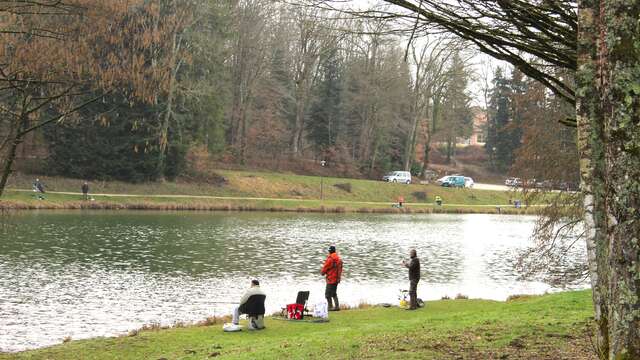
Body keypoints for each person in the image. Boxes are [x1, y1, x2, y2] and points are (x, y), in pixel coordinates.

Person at [321, 245, 343, 311]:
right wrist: (338, 278)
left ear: (330, 251)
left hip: (330, 279)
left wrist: (322, 273)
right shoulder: (339, 259)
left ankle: (330, 307)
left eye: (329, 251)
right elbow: (340, 269)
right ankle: (337, 306)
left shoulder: (330, 259)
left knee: (327, 294)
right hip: (336, 279)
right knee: (334, 293)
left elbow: (325, 268)